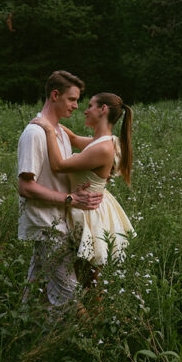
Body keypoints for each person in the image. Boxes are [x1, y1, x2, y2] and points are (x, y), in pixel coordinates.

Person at [17, 70, 103, 312]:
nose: (77, 106)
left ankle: (28, 340)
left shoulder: (59, 133)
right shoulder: (34, 133)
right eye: (72, 99)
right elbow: (25, 186)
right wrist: (71, 199)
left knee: (35, 296)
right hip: (47, 226)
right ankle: (93, 344)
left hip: (60, 224)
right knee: (70, 300)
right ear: (55, 95)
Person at [30, 92, 135, 270]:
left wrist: (48, 130)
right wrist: (51, 120)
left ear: (103, 109)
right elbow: (73, 139)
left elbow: (58, 166)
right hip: (91, 207)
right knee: (83, 276)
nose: (85, 111)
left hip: (89, 214)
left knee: (87, 278)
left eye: (90, 106)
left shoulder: (102, 148)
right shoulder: (103, 141)